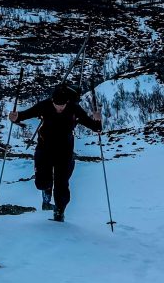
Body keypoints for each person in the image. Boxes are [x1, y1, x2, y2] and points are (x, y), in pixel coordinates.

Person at [9, 82, 102, 222]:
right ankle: (46, 189)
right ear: (52, 101)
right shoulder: (45, 105)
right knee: (41, 182)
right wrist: (16, 117)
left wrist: (97, 120)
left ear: (67, 102)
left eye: (62, 106)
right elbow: (26, 114)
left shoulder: (74, 108)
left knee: (62, 184)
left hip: (65, 151)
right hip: (45, 148)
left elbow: (95, 128)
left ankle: (59, 211)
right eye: (57, 105)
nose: (60, 108)